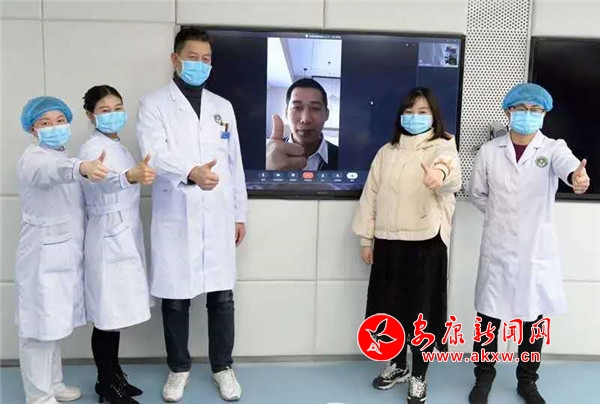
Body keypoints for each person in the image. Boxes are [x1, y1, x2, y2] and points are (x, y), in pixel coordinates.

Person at [136, 27, 248, 403]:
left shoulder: (222, 107)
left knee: (222, 297)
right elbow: (153, 152)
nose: (200, 64)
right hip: (176, 212)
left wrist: (239, 214)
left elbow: (233, 163)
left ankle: (223, 367)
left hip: (217, 213)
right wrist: (190, 171)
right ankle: (178, 368)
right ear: (175, 59)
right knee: (175, 298)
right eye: (193, 58)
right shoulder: (154, 104)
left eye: (206, 59)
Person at [468, 83, 590, 404]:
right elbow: (477, 193)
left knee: (532, 319)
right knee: (488, 318)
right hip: (497, 247)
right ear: (508, 112)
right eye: (521, 109)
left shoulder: (552, 148)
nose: (528, 115)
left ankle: (527, 382)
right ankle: (483, 378)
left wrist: (577, 178)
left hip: (535, 251)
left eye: (535, 110)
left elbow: (569, 168)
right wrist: (503, 216)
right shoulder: (489, 151)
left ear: (544, 114)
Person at [352, 87, 462, 404]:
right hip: (388, 243)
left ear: (434, 115)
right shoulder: (387, 152)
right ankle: (398, 366)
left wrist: (439, 176)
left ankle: (419, 376)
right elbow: (370, 196)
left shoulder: (443, 145)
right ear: (401, 116)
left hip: (426, 242)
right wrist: (367, 239)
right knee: (390, 308)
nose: (415, 117)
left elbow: (450, 173)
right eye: (410, 111)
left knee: (421, 312)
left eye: (423, 112)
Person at [16, 96, 109, 404]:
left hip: (62, 254)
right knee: (38, 330)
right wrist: (82, 166)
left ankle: (54, 385)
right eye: (45, 123)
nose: (54, 127)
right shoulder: (34, 159)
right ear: (32, 129)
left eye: (59, 120)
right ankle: (39, 397)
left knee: (53, 324)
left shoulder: (61, 154)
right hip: (41, 257)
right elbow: (54, 170)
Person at [78, 85, 156, 404]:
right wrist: (129, 177)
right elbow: (102, 178)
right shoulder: (91, 148)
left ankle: (113, 376)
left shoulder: (118, 146)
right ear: (90, 116)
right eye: (105, 110)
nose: (113, 115)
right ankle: (107, 384)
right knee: (106, 316)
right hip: (107, 234)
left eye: (118, 108)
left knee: (116, 314)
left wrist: (131, 175)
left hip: (124, 232)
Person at [266, 78, 338, 170]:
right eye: (297, 107)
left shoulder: (344, 157)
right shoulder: (266, 155)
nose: (306, 119)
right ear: (286, 113)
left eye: (315, 108)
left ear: (327, 114)